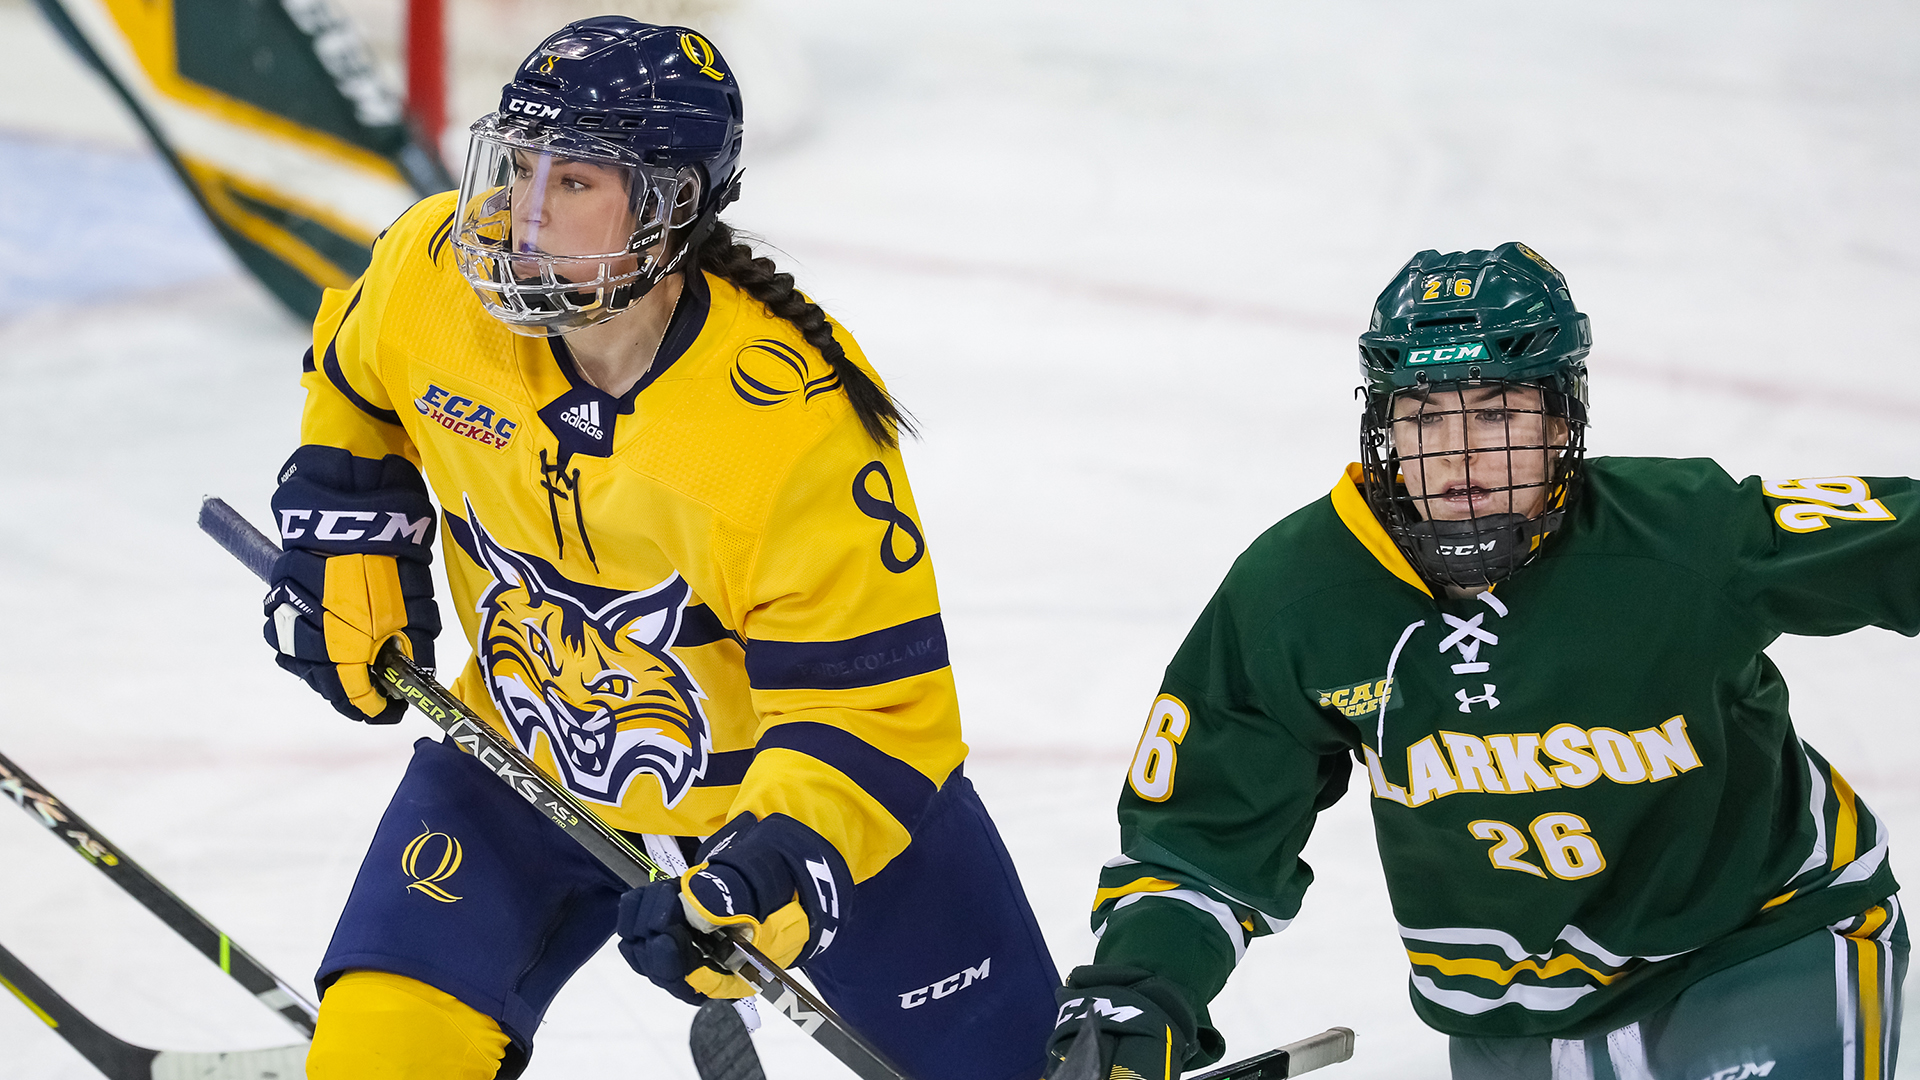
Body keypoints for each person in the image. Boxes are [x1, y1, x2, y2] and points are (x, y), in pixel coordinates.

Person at [259, 17, 1057, 1080]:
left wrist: (772, 877)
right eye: (519, 165)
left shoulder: (785, 425)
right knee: (375, 1058)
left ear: (672, 206)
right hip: (524, 757)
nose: (521, 213)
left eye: (576, 181)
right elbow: (354, 382)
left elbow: (871, 716)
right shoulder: (431, 276)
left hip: (772, 798)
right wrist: (349, 534)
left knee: (1015, 1070)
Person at [1045, 243, 1906, 1080]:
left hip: (1758, 940)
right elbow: (1201, 837)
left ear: (1561, 423)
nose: (1457, 457)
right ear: (1383, 429)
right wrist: (1143, 988)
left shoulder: (1679, 538)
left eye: (1495, 413)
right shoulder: (1297, 596)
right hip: (1508, 1010)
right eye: (1423, 417)